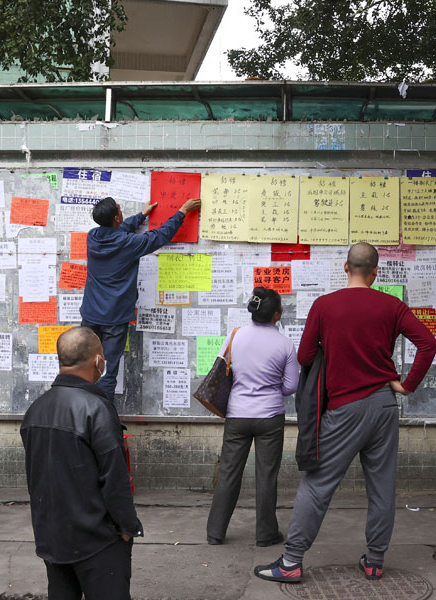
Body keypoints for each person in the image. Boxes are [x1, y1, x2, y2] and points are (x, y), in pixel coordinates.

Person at [253, 242, 436, 584]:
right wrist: (407, 386)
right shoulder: (392, 305)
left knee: (318, 483)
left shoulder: (325, 306)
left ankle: (291, 562)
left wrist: (333, 346)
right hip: (384, 405)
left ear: (345, 267)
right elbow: (428, 344)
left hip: (345, 408)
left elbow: (305, 357)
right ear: (375, 272)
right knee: (382, 487)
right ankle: (375, 561)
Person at [21, 327, 143, 600]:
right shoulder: (97, 409)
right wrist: (127, 527)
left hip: (52, 537)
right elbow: (114, 477)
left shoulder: (35, 409)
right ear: (98, 360)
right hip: (97, 540)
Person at [80, 195, 201, 399]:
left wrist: (141, 216)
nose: (121, 211)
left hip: (90, 313)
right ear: (116, 218)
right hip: (115, 317)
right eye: (119, 209)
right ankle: (102, 413)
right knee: (108, 370)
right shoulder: (129, 243)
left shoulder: (93, 237)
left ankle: (80, 410)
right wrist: (182, 211)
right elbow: (160, 236)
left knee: (84, 365)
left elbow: (118, 230)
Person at [206, 287, 299, 547]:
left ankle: (215, 532)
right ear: (276, 315)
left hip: (237, 415)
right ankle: (266, 534)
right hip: (270, 416)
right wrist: (271, 389)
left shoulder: (235, 336)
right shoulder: (285, 344)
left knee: (228, 473)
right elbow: (291, 386)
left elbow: (221, 369)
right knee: (267, 476)